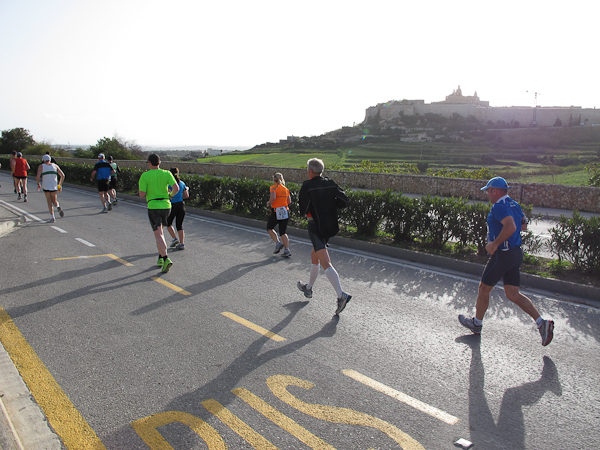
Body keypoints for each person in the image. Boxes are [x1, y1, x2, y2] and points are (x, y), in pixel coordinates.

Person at [458, 177, 554, 346]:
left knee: (483, 288)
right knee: (512, 294)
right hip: (515, 254)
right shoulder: (514, 204)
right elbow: (523, 225)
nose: (487, 194)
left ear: (494, 191)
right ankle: (542, 323)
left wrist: (494, 243)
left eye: (488, 191)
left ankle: (477, 324)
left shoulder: (499, 206)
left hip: (502, 254)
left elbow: (511, 226)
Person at [297, 158, 351, 315]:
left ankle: (341, 295)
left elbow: (302, 209)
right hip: (329, 225)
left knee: (325, 262)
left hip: (315, 227)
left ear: (310, 171)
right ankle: (308, 288)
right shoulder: (330, 183)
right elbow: (344, 200)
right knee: (314, 256)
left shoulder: (307, 186)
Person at [139, 154, 179, 273]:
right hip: (166, 206)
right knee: (160, 232)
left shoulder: (145, 176)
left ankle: (166, 258)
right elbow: (176, 188)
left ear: (149, 163)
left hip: (153, 206)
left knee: (158, 235)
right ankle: (160, 257)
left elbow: (141, 194)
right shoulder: (167, 173)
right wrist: (170, 195)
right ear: (159, 162)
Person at [267, 172, 292, 257]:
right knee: (283, 232)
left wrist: (269, 203)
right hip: (285, 211)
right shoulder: (285, 189)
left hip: (276, 211)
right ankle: (287, 250)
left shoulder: (273, 187)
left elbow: (273, 198)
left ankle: (277, 243)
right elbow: (289, 201)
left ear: (274, 180)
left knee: (269, 228)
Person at [36, 154, 65, 222]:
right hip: (54, 186)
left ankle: (52, 217)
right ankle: (57, 206)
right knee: (54, 201)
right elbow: (62, 175)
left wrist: (38, 184)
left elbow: (37, 177)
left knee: (49, 202)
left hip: (46, 186)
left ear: (43, 160)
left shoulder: (41, 166)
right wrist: (59, 184)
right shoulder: (55, 166)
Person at [166, 167, 188, 251]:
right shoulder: (182, 183)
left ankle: (175, 238)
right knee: (179, 225)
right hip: (181, 205)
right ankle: (182, 243)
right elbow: (186, 195)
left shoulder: (169, 184)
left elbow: (168, 194)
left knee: (168, 223)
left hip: (172, 205)